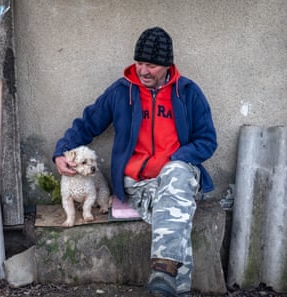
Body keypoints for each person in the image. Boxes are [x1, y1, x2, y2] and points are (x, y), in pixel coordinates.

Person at [53, 27, 217, 297]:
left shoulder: (187, 93)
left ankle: (162, 273)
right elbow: (87, 124)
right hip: (137, 184)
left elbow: (207, 141)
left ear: (166, 65)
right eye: (140, 63)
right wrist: (62, 151)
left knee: (175, 179)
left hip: (177, 175)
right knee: (177, 211)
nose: (143, 70)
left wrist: (174, 160)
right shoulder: (121, 91)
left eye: (151, 65)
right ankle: (177, 289)